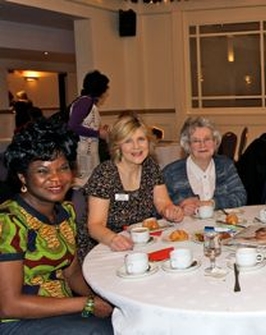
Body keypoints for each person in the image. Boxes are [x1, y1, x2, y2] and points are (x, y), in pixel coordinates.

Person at [0, 118, 113, 334]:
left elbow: (72, 275)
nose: (56, 178)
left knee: (124, 319)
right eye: (42, 171)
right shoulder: (9, 222)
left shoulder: (65, 212)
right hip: (17, 322)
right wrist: (86, 303)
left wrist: (108, 296)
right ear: (23, 177)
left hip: (60, 309)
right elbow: (8, 305)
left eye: (63, 168)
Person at [77, 114, 184, 259]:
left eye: (141, 139)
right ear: (118, 146)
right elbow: (95, 225)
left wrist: (170, 210)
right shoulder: (105, 174)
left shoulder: (150, 167)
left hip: (140, 243)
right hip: (105, 246)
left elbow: (162, 203)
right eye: (128, 141)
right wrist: (113, 239)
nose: (136, 146)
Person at [163, 117, 247, 214]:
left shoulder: (225, 165)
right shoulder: (171, 173)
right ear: (188, 145)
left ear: (215, 142)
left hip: (224, 226)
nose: (202, 145)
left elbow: (241, 196)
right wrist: (179, 208)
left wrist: (212, 203)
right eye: (196, 141)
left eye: (207, 139)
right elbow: (159, 209)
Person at [67, 70, 111, 179]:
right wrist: (98, 133)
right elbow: (73, 126)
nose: (106, 91)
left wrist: (99, 131)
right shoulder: (85, 102)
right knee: (86, 181)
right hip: (84, 152)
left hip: (89, 150)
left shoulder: (88, 102)